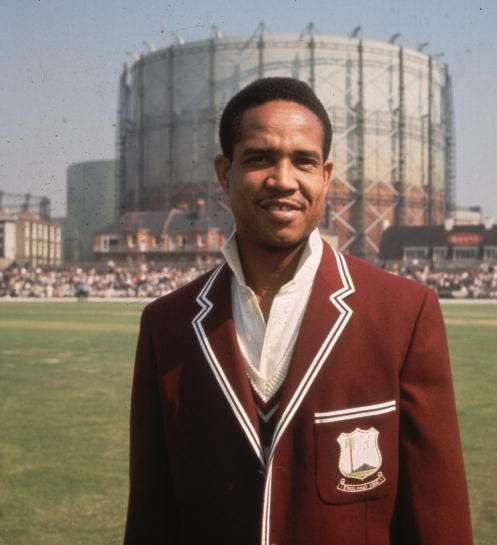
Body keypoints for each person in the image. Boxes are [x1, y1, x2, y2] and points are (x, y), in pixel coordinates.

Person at [124, 77, 473, 545]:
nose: (283, 180)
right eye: (260, 158)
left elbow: (438, 516)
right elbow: (151, 514)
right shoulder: (167, 324)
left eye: (303, 161)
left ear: (325, 176)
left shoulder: (403, 314)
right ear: (224, 173)